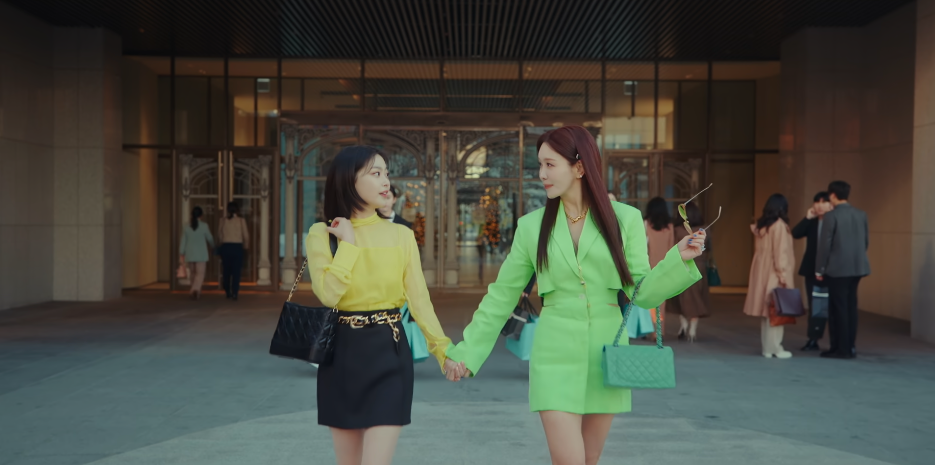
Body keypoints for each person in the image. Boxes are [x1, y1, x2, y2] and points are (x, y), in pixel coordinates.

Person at [443, 126, 705, 465]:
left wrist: (677, 259)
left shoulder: (624, 219)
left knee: (589, 459)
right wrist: (467, 351)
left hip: (608, 355)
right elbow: (501, 296)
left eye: (550, 165)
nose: (541, 174)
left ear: (579, 167)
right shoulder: (531, 227)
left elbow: (640, 293)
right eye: (540, 165)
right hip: (554, 355)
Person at [305, 145, 454, 465]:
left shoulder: (401, 235)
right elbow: (329, 295)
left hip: (390, 350)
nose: (386, 180)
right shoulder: (322, 233)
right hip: (341, 354)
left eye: (386, 173)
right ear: (349, 180)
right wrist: (348, 244)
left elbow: (419, 300)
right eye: (375, 173)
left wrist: (444, 351)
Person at [815, 180, 870, 359]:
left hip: (837, 268)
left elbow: (825, 245)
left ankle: (840, 348)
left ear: (832, 195)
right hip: (858, 267)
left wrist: (820, 269)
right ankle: (849, 346)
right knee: (850, 306)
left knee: (837, 308)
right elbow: (865, 242)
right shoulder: (861, 214)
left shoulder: (831, 216)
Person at [743, 194, 795, 359]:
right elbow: (781, 253)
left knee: (768, 313)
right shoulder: (779, 226)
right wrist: (783, 276)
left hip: (762, 272)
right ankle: (776, 348)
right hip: (774, 272)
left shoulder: (762, 227)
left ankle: (767, 348)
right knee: (777, 312)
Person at [792, 191, 834, 351]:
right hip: (812, 269)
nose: (820, 205)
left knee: (832, 306)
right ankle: (813, 338)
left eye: (824, 202)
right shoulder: (812, 222)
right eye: (817, 202)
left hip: (831, 270)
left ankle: (836, 340)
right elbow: (795, 233)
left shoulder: (835, 221)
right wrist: (807, 217)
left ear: (831, 205)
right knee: (815, 305)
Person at [668, 202, 710, 342]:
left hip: (682, 266)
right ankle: (692, 329)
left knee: (680, 298)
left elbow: (673, 248)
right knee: (697, 299)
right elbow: (709, 248)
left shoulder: (677, 230)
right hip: (699, 267)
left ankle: (684, 324)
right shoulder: (704, 230)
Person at [644, 197, 676, 336]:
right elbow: (671, 247)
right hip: (664, 267)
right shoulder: (669, 226)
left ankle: (650, 329)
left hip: (649, 266)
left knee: (649, 299)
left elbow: (643, 245)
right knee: (661, 302)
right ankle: (659, 332)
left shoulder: (646, 224)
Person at [179, 206, 214, 300]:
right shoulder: (204, 226)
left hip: (190, 254)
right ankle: (194, 290)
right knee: (200, 274)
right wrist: (213, 245)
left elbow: (183, 240)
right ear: (201, 216)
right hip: (201, 255)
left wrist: (181, 252)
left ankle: (196, 292)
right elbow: (210, 238)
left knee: (193, 273)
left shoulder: (186, 226)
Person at [218, 202, 249, 301]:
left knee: (226, 270)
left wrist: (222, 242)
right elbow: (246, 235)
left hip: (226, 246)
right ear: (237, 210)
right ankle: (235, 292)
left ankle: (227, 291)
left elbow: (219, 234)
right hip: (237, 247)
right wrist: (245, 247)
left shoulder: (223, 220)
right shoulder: (241, 221)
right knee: (236, 271)